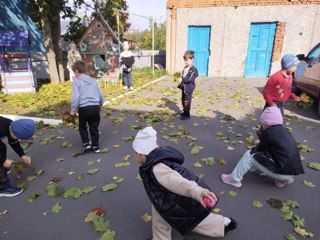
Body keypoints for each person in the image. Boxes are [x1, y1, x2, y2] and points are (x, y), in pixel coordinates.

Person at [133, 126, 237, 239]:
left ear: (140, 154)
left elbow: (178, 183)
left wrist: (198, 192)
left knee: (191, 220)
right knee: (160, 218)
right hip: (163, 197)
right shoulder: (155, 158)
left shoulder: (157, 168)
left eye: (135, 153)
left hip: (175, 199)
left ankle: (222, 224)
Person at [221, 106, 304, 188]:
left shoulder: (268, 134)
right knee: (271, 156)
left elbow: (259, 150)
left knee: (249, 155)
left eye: (262, 122)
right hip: (293, 171)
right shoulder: (285, 131)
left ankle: (234, 179)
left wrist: (256, 146)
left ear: (267, 123)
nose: (261, 124)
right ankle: (286, 179)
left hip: (282, 172)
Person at [70, 61, 104, 153]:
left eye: (74, 72)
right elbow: (100, 94)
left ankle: (86, 144)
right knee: (94, 126)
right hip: (95, 107)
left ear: (76, 71)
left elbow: (76, 97)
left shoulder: (76, 82)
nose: (74, 74)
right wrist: (100, 105)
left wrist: (73, 109)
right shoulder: (93, 80)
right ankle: (96, 146)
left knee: (82, 126)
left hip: (84, 108)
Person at [0, 117, 35, 197]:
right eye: (17, 137)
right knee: (1, 148)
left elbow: (13, 140)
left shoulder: (11, 125)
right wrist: (3, 161)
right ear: (11, 130)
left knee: (2, 148)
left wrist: (22, 154)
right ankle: (2, 188)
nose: (18, 139)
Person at [178, 50, 198, 120]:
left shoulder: (193, 69)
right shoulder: (185, 67)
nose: (186, 62)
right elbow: (183, 74)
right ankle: (185, 111)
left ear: (192, 59)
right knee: (183, 99)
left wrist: (182, 79)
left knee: (187, 100)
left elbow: (189, 79)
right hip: (184, 86)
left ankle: (187, 114)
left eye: (187, 60)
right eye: (185, 60)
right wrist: (180, 77)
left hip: (189, 87)